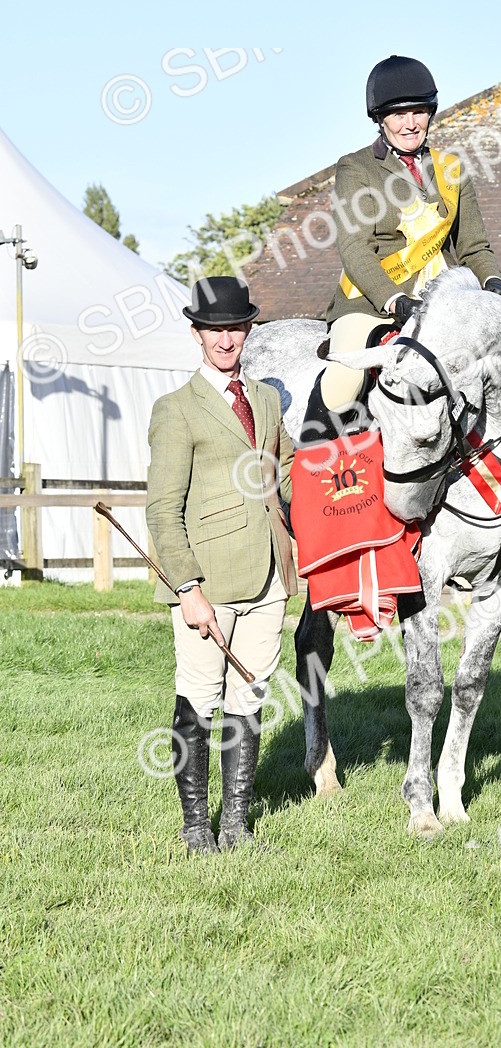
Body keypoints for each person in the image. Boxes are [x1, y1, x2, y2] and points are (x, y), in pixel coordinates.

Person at [146, 276, 297, 855]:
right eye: (215, 330)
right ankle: (194, 828)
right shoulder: (176, 410)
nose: (226, 339)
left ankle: (235, 824)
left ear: (248, 330)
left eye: (235, 328)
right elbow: (162, 509)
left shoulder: (266, 400)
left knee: (249, 698)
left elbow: (285, 473)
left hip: (269, 578)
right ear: (197, 334)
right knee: (199, 699)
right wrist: (187, 588)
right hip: (206, 584)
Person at [301, 54, 501, 440]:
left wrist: (493, 281)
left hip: (445, 305)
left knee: (500, 370)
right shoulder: (356, 169)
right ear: (380, 119)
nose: (410, 123)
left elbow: (473, 246)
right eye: (398, 115)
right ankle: (313, 463)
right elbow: (354, 248)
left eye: (418, 112)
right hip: (372, 304)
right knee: (344, 382)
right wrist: (394, 300)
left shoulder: (451, 169)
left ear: (430, 113)